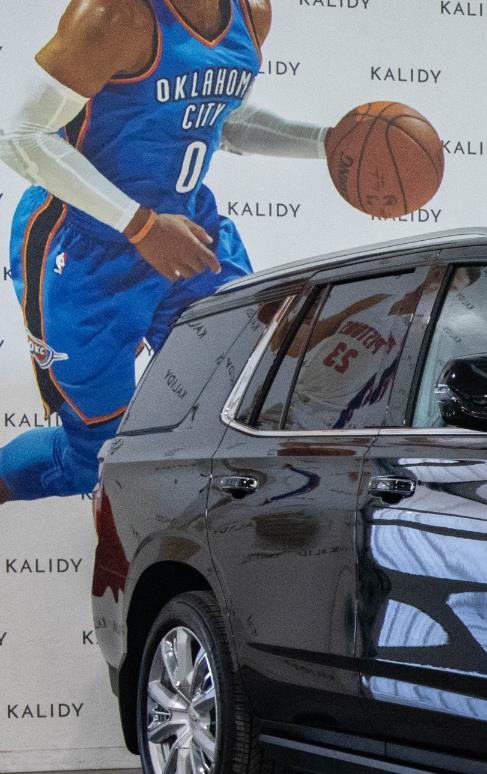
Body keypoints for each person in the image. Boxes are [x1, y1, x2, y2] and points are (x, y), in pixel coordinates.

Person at [0, 0, 329, 503]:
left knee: (252, 398)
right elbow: (20, 136)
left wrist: (327, 143)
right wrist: (139, 225)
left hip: (189, 231)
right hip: (83, 247)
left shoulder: (251, 14)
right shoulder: (114, 15)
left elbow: (222, 121)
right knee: (96, 458)